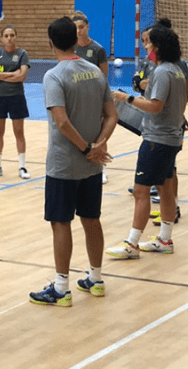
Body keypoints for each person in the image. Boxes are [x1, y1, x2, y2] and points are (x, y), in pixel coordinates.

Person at [28, 17, 117, 307]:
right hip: (92, 166)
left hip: (66, 164)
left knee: (61, 222)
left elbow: (62, 122)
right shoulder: (94, 71)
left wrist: (86, 149)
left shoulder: (54, 76)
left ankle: (61, 288)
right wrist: (99, 145)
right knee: (92, 219)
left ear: (51, 42)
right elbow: (112, 115)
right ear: (75, 38)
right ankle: (96, 278)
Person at [105, 25, 188, 259]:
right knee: (165, 188)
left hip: (156, 140)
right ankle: (165, 239)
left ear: (159, 46)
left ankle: (132, 244)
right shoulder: (178, 70)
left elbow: (155, 106)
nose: (147, 46)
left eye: (150, 42)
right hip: (171, 137)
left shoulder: (163, 73)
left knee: (141, 192)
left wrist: (126, 98)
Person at [0, 25, 32, 179]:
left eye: (12, 35)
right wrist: (12, 74)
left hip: (16, 96)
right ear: (2, 38)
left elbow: (22, 76)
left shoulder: (22, 54)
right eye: (6, 35)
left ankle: (22, 167)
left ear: (16, 37)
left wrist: (1, 74)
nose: (9, 38)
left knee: (19, 132)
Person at [73, 11, 110, 184]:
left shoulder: (98, 49)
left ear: (88, 27)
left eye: (81, 27)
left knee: (99, 132)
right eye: (76, 28)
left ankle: (102, 167)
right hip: (76, 98)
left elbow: (103, 77)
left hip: (94, 98)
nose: (79, 31)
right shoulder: (71, 48)